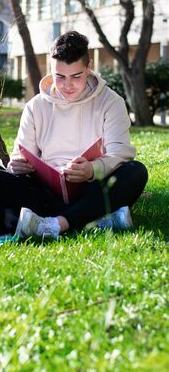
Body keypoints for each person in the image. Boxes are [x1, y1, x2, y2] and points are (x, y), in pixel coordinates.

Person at [8, 30, 148, 238]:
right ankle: (98, 219)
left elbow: (120, 153)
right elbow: (21, 153)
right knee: (3, 180)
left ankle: (57, 224)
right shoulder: (35, 106)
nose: (67, 85)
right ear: (51, 70)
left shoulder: (111, 102)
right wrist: (15, 165)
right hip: (48, 191)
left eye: (76, 76)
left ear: (88, 68)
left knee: (135, 171)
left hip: (92, 187)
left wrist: (92, 169)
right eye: (60, 77)